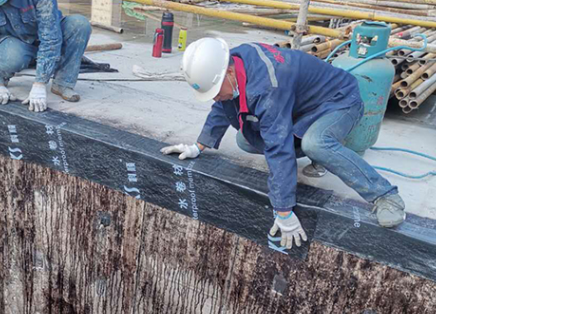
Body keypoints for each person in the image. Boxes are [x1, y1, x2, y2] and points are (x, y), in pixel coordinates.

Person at [161, 38, 406, 250]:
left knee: (316, 143)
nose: (214, 97)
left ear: (229, 73)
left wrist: (283, 210)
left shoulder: (267, 86)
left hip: (339, 100)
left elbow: (278, 149)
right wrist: (198, 146)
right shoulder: (229, 63)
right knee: (246, 140)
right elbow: (221, 104)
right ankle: (318, 151)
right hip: (301, 105)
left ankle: (385, 195)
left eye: (215, 90)